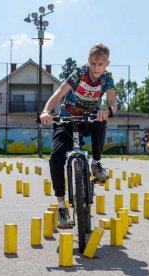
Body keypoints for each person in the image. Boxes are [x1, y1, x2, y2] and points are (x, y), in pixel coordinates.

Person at [40, 43, 117, 229]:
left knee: (101, 119)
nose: (96, 68)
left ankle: (96, 163)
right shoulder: (79, 74)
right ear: (88, 61)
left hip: (88, 120)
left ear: (107, 63)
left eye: (100, 64)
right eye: (92, 63)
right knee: (55, 158)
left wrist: (108, 110)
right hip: (67, 119)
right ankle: (61, 208)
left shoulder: (107, 78)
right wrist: (45, 112)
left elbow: (113, 101)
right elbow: (58, 94)